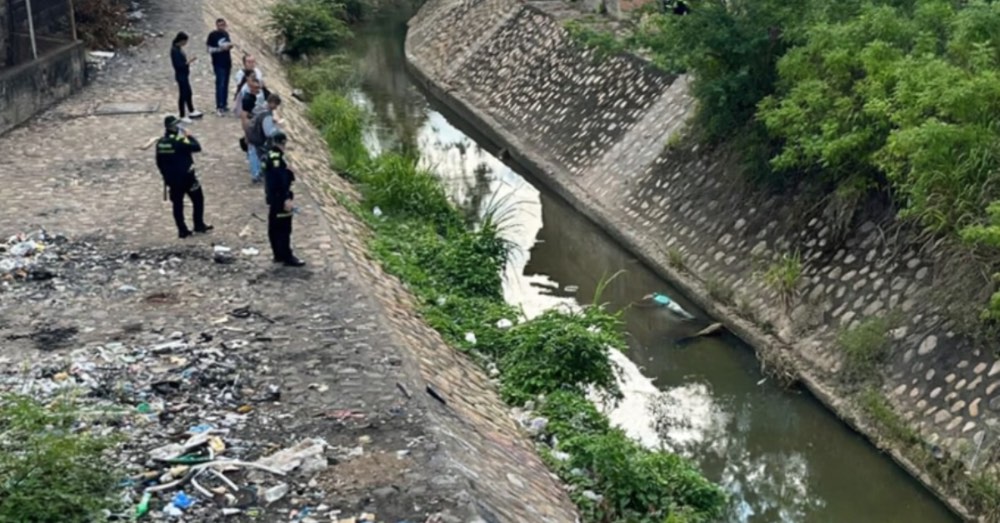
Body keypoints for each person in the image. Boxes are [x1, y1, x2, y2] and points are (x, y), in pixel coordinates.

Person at [155, 116, 213, 238]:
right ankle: (198, 224)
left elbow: (159, 162)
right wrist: (188, 135)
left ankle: (182, 229)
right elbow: (196, 147)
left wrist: (166, 176)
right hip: (187, 178)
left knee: (177, 205)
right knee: (198, 199)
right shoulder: (179, 141)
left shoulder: (160, 143)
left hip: (172, 180)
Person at [263, 131, 305, 267]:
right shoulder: (277, 159)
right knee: (284, 229)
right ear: (282, 143)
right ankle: (287, 256)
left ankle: (278, 254)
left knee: (274, 227)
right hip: (280, 198)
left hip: (273, 198)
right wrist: (286, 198)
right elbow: (280, 181)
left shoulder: (269, 155)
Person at [246, 93, 284, 182]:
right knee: (257, 157)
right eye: (276, 105)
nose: (276, 107)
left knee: (253, 155)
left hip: (251, 133)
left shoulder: (260, 109)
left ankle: (257, 174)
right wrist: (277, 129)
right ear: (272, 103)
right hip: (257, 137)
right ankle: (257, 175)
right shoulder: (267, 115)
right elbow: (268, 132)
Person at [240, 77, 271, 183]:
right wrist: (246, 133)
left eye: (258, 86)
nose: (256, 89)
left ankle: (262, 171)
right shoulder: (248, 98)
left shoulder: (264, 93)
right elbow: (244, 116)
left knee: (263, 151)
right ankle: (255, 174)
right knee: (253, 151)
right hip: (253, 128)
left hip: (264, 126)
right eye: (254, 87)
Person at [171, 32, 203, 123]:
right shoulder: (174, 51)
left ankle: (191, 110)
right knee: (183, 94)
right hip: (181, 75)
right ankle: (182, 114)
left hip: (184, 75)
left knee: (188, 93)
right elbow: (179, 65)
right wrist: (189, 62)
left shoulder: (178, 49)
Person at [206, 18, 235, 116]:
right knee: (220, 84)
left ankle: (225, 104)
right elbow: (209, 49)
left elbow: (228, 44)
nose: (221, 27)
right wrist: (220, 49)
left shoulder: (226, 34)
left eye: (223, 25)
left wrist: (230, 46)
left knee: (226, 84)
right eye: (219, 25)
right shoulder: (213, 35)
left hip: (227, 62)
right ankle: (219, 106)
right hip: (218, 63)